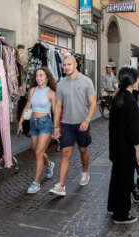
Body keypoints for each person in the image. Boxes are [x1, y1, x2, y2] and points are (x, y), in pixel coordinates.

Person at [50, 55, 97, 196]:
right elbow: (58, 106)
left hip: (82, 123)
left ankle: (85, 172)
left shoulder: (86, 81)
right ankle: (61, 185)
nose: (66, 67)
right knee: (65, 153)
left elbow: (93, 103)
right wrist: (56, 126)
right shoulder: (60, 84)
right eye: (64, 65)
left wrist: (87, 120)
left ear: (75, 64)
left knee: (83, 150)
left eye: (69, 64)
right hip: (66, 124)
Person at [108, 66, 139, 224]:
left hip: (116, 146)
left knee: (116, 178)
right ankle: (121, 215)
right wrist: (138, 150)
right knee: (125, 181)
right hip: (127, 148)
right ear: (134, 81)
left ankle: (112, 207)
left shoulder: (118, 97)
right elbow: (133, 131)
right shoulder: (130, 101)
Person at [17, 67, 57, 194]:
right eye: (37, 75)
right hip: (33, 123)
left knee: (39, 153)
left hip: (45, 124)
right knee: (37, 152)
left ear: (47, 77)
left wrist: (56, 128)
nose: (38, 78)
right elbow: (27, 107)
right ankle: (49, 165)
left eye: (41, 75)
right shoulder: (32, 90)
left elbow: (55, 112)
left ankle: (36, 183)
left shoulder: (51, 93)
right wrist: (20, 122)